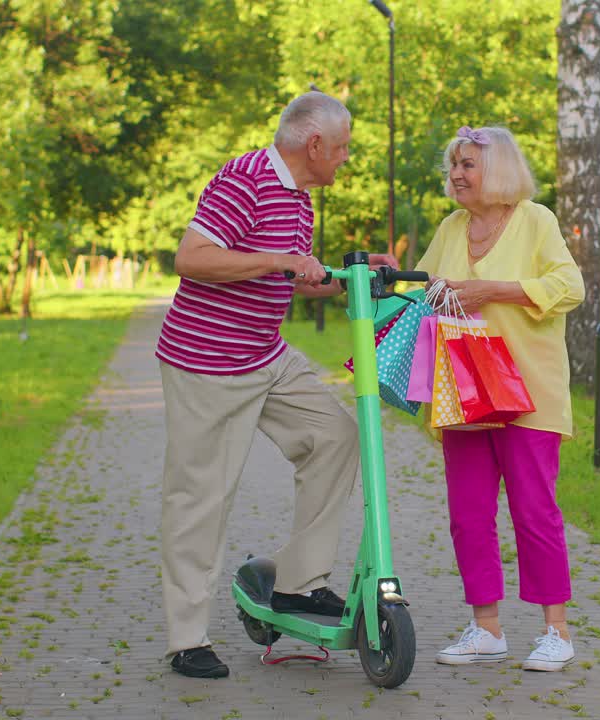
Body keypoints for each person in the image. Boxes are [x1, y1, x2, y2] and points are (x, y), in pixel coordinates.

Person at [155, 91, 398, 679]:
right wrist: (276, 260)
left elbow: (293, 274)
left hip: (265, 356)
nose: (345, 160)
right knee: (201, 497)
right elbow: (192, 258)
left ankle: (297, 584)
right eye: (341, 149)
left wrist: (353, 277)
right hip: (207, 362)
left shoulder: (300, 198)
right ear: (314, 144)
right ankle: (186, 638)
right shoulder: (245, 179)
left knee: (336, 437)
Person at [415, 125, 586, 671]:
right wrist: (395, 275)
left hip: (529, 391)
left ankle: (555, 630)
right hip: (464, 391)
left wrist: (494, 291)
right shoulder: (451, 227)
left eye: (468, 164)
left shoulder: (537, 220)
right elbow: (426, 286)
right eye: (453, 166)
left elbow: (569, 286)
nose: (456, 175)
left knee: (534, 511)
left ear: (499, 170)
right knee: (468, 514)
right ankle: (486, 627)